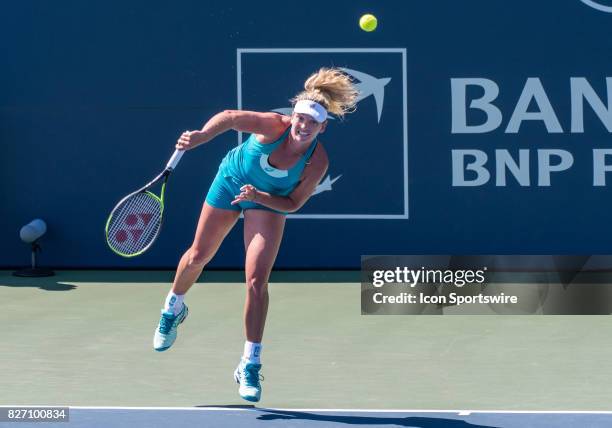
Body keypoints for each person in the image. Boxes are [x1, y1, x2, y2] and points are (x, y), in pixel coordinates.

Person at [153, 67, 358, 402]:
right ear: (292, 117)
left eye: (313, 123)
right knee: (198, 256)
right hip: (231, 181)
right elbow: (231, 117)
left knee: (256, 282)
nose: (304, 127)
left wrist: (260, 198)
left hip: (267, 201)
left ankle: (249, 363)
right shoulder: (271, 126)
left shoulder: (316, 161)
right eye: (301, 119)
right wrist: (203, 136)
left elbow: (292, 203)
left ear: (323, 127)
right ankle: (172, 308)